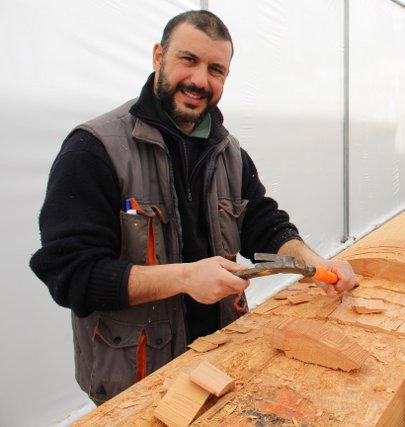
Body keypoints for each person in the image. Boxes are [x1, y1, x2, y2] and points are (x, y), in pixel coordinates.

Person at [29, 10, 357, 405]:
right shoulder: (94, 149)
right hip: (137, 384)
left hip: (223, 364)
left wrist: (316, 265)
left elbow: (264, 225)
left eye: (216, 69)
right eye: (188, 60)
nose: (200, 81)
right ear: (158, 56)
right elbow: (71, 274)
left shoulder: (230, 152)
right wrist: (185, 278)